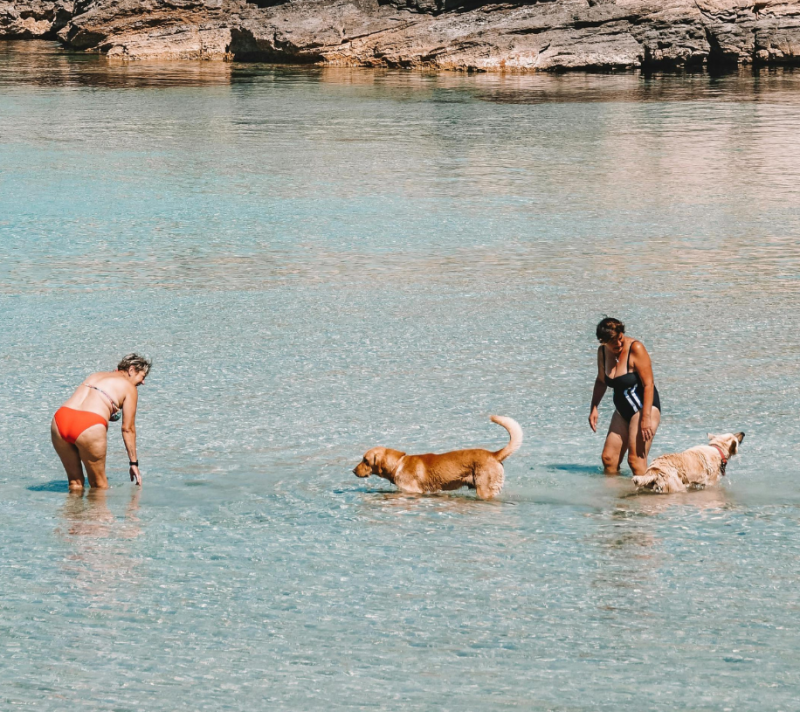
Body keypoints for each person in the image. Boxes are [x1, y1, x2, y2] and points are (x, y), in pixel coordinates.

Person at [51, 354, 151, 490]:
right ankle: (97, 512)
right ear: (131, 370)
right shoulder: (129, 387)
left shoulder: (96, 375)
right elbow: (128, 429)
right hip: (89, 424)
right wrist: (134, 463)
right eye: (143, 376)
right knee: (99, 486)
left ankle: (72, 511)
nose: (143, 382)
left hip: (61, 419)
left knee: (75, 483)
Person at [588, 318, 660, 477]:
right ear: (603, 341)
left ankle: (647, 499)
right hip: (622, 410)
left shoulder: (636, 348)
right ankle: (615, 498)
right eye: (613, 342)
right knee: (608, 459)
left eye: (620, 338)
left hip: (643, 408)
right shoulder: (602, 353)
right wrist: (594, 407)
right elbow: (601, 381)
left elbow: (649, 384)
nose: (619, 344)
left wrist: (645, 418)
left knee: (635, 461)